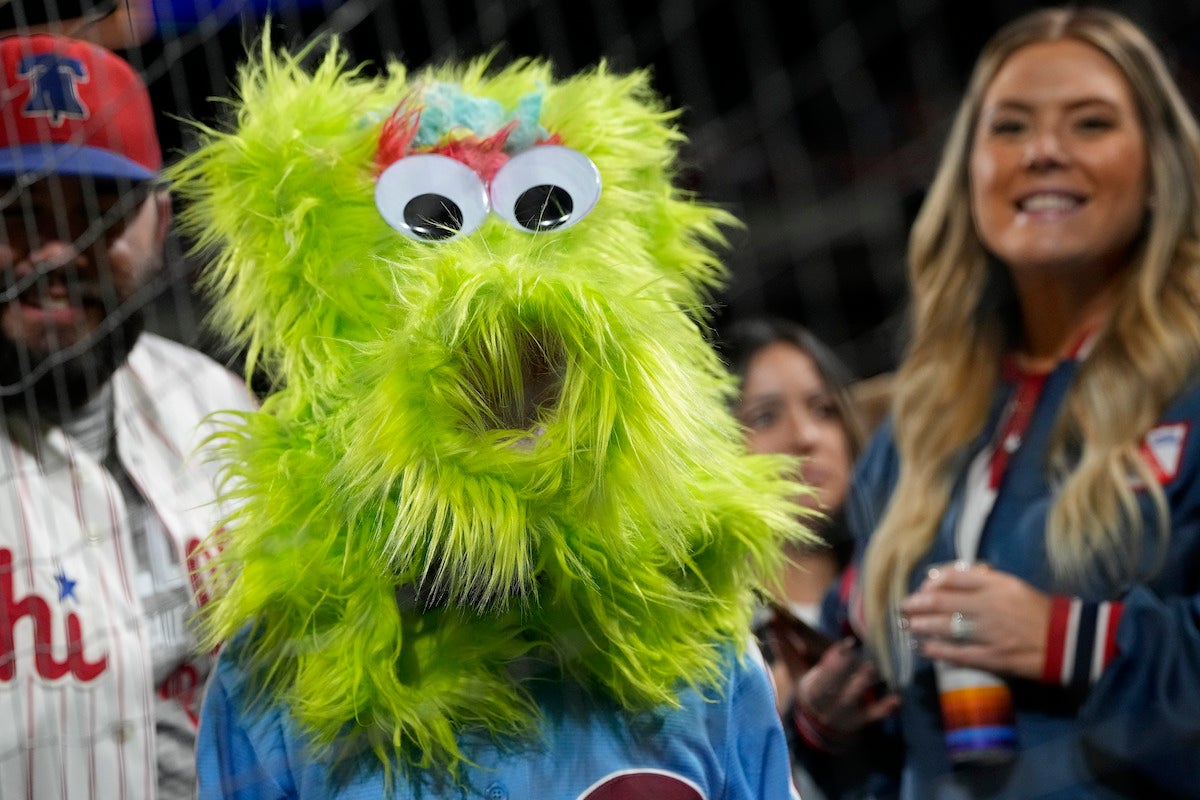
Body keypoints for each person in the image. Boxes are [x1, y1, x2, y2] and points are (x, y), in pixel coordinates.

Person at [168, 36, 804, 800]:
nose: (516, 405)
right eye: (472, 379)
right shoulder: (283, 680)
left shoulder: (701, 654)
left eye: (540, 370)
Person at [796, 5, 1200, 798]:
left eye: (1090, 124)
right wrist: (829, 722)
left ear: (1159, 172)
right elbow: (891, 731)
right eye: (1009, 128)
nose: (1044, 152)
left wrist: (1072, 639)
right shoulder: (918, 424)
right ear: (971, 173)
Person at [0, 33, 257, 799]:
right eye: (14, 208)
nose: (52, 249)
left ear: (158, 223)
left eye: (95, 211)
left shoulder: (216, 408)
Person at [720, 315, 901, 800]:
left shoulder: (903, 578)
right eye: (764, 417)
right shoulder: (709, 646)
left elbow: (968, 622)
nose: (805, 436)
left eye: (824, 410)